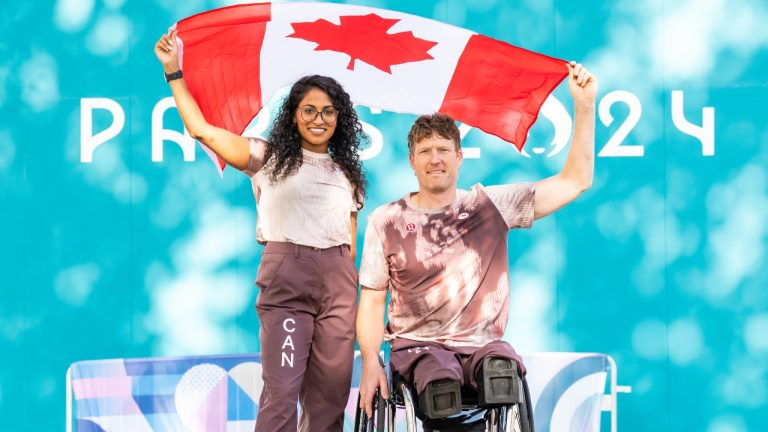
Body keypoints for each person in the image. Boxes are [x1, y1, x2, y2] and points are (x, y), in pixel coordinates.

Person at [356, 62, 597, 419]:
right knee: (439, 380)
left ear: (459, 158)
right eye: (425, 151)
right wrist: (371, 363)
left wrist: (585, 106)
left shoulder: (490, 206)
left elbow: (575, 181)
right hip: (418, 348)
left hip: (481, 346)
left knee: (500, 368)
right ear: (412, 160)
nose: (434, 159)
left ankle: (488, 379)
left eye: (443, 150)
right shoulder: (386, 220)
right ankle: (439, 391)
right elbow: (373, 302)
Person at [155, 29, 367, 431]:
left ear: (339, 119)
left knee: (330, 399)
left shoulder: (348, 176)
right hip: (288, 279)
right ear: (293, 115)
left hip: (338, 281)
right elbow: (201, 130)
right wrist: (173, 72)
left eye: (327, 111)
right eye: (309, 110)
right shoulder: (265, 157)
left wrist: (345, 282)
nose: (318, 119)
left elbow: (350, 245)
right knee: (282, 393)